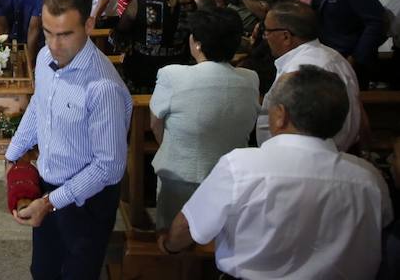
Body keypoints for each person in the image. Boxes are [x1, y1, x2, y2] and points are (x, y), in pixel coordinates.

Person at [159, 65, 391, 279]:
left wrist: (169, 245)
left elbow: (187, 227)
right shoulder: (368, 178)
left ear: (281, 115)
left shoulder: (241, 166)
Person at [5, 0, 131, 279]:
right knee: (43, 271)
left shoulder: (103, 88)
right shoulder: (45, 58)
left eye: (64, 34)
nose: (54, 44)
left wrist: (50, 203)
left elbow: (109, 167)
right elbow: (39, 105)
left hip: (87, 201)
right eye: (48, 32)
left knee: (76, 273)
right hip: (48, 189)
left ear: (88, 25)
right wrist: (13, 153)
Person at [149, 8, 259, 229]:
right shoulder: (250, 78)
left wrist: (174, 148)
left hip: (181, 176)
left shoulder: (172, 75)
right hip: (231, 176)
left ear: (196, 43)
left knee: (175, 236)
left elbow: (155, 124)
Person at [258, 1, 361, 151]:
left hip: (300, 158)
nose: (265, 37)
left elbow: (305, 129)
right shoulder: (332, 55)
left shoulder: (302, 71)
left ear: (286, 36)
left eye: (267, 31)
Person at [114, 0, 195, 93]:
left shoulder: (139, 3)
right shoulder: (189, 4)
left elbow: (119, 35)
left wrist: (126, 47)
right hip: (177, 71)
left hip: (143, 72)